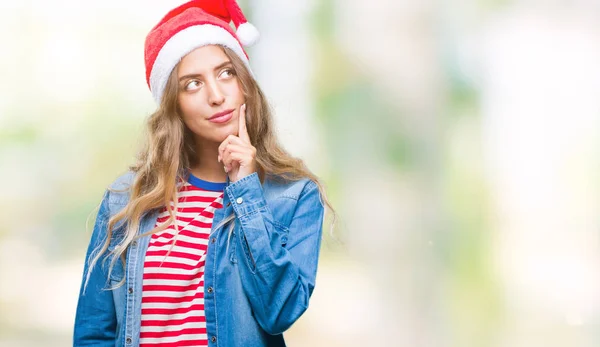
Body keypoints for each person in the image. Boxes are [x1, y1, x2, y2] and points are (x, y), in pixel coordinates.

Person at [73, 0, 335, 346]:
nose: (216, 95)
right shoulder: (127, 200)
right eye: (192, 84)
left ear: (245, 84)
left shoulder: (292, 196)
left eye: (226, 73)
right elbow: (94, 332)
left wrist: (245, 191)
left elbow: (279, 312)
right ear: (174, 105)